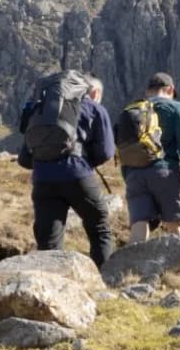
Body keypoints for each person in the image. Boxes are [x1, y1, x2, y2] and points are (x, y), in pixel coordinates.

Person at [28, 75, 117, 265]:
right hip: (78, 174)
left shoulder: (42, 110)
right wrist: (86, 162)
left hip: (43, 178)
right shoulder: (94, 108)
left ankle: (49, 283)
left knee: (48, 238)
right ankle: (105, 280)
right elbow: (107, 151)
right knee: (99, 226)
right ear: (94, 92)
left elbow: (26, 155)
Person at [117, 72, 180, 242]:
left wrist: (128, 177)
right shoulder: (177, 108)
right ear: (170, 89)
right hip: (165, 173)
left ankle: (132, 267)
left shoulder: (133, 109)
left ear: (148, 91)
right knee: (175, 229)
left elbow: (124, 147)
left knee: (139, 228)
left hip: (134, 175)